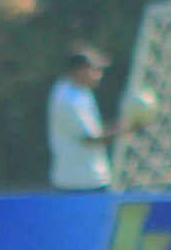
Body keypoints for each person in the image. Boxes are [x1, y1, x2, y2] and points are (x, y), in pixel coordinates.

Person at [47, 48, 123, 191]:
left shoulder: (80, 91)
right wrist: (127, 127)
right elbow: (91, 138)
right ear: (81, 71)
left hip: (86, 180)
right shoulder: (68, 98)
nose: (99, 75)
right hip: (78, 183)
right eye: (95, 70)